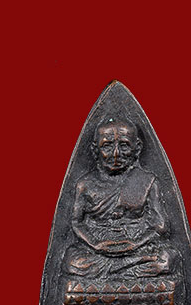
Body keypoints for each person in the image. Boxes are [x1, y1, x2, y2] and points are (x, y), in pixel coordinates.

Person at [63, 116, 178, 280]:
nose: (116, 154)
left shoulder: (147, 181)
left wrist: (136, 243)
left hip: (137, 246)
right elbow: (76, 222)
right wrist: (95, 245)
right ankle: (125, 273)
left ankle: (115, 274)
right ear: (95, 149)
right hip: (98, 249)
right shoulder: (85, 184)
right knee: (72, 261)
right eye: (107, 146)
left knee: (166, 259)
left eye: (124, 146)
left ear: (137, 148)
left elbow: (160, 226)